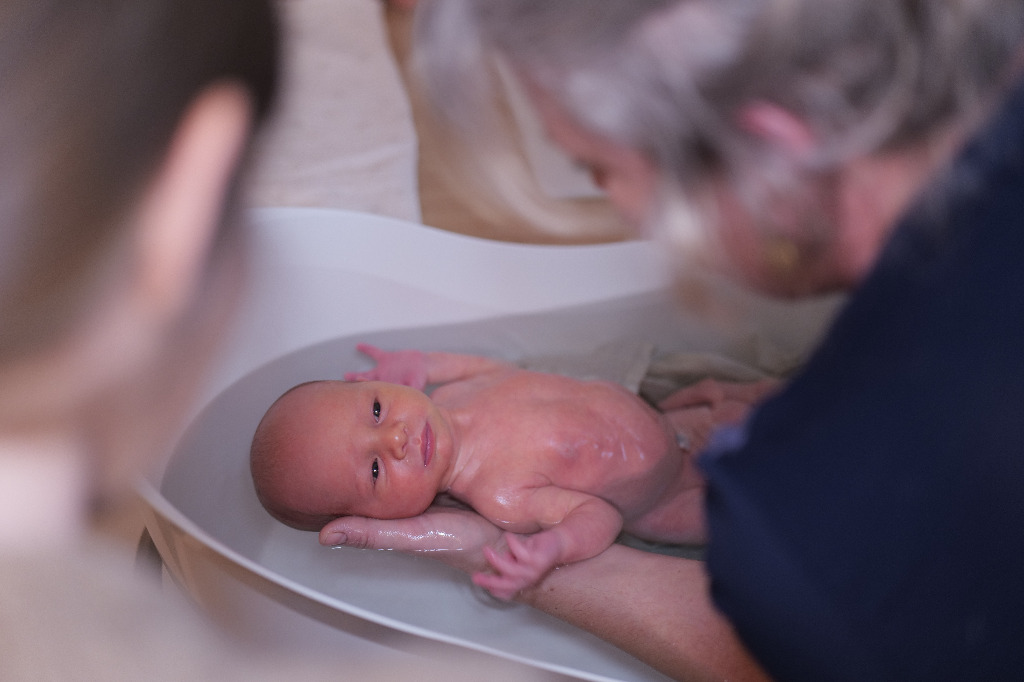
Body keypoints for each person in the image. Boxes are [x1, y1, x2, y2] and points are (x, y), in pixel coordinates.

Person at [321, 1, 1024, 680]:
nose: (625, 213)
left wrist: (523, 562)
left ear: (770, 150)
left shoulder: (800, 529)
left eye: (600, 171)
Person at [252, 344, 773, 599]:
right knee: (761, 513)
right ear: (382, 516)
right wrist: (557, 547)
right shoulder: (501, 495)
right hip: (671, 497)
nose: (395, 438)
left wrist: (424, 365)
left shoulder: (456, 393)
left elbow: (484, 367)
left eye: (374, 410)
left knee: (782, 409)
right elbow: (598, 516)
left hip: (674, 425)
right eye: (373, 469)